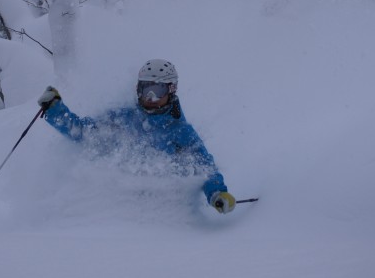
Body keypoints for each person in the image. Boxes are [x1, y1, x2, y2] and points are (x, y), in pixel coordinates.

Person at [38, 59, 236, 214]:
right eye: (145, 90)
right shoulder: (124, 118)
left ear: (171, 90)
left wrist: (217, 193)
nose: (149, 98)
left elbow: (205, 167)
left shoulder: (181, 131)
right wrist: (56, 109)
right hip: (115, 208)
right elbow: (82, 133)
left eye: (157, 91)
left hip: (163, 214)